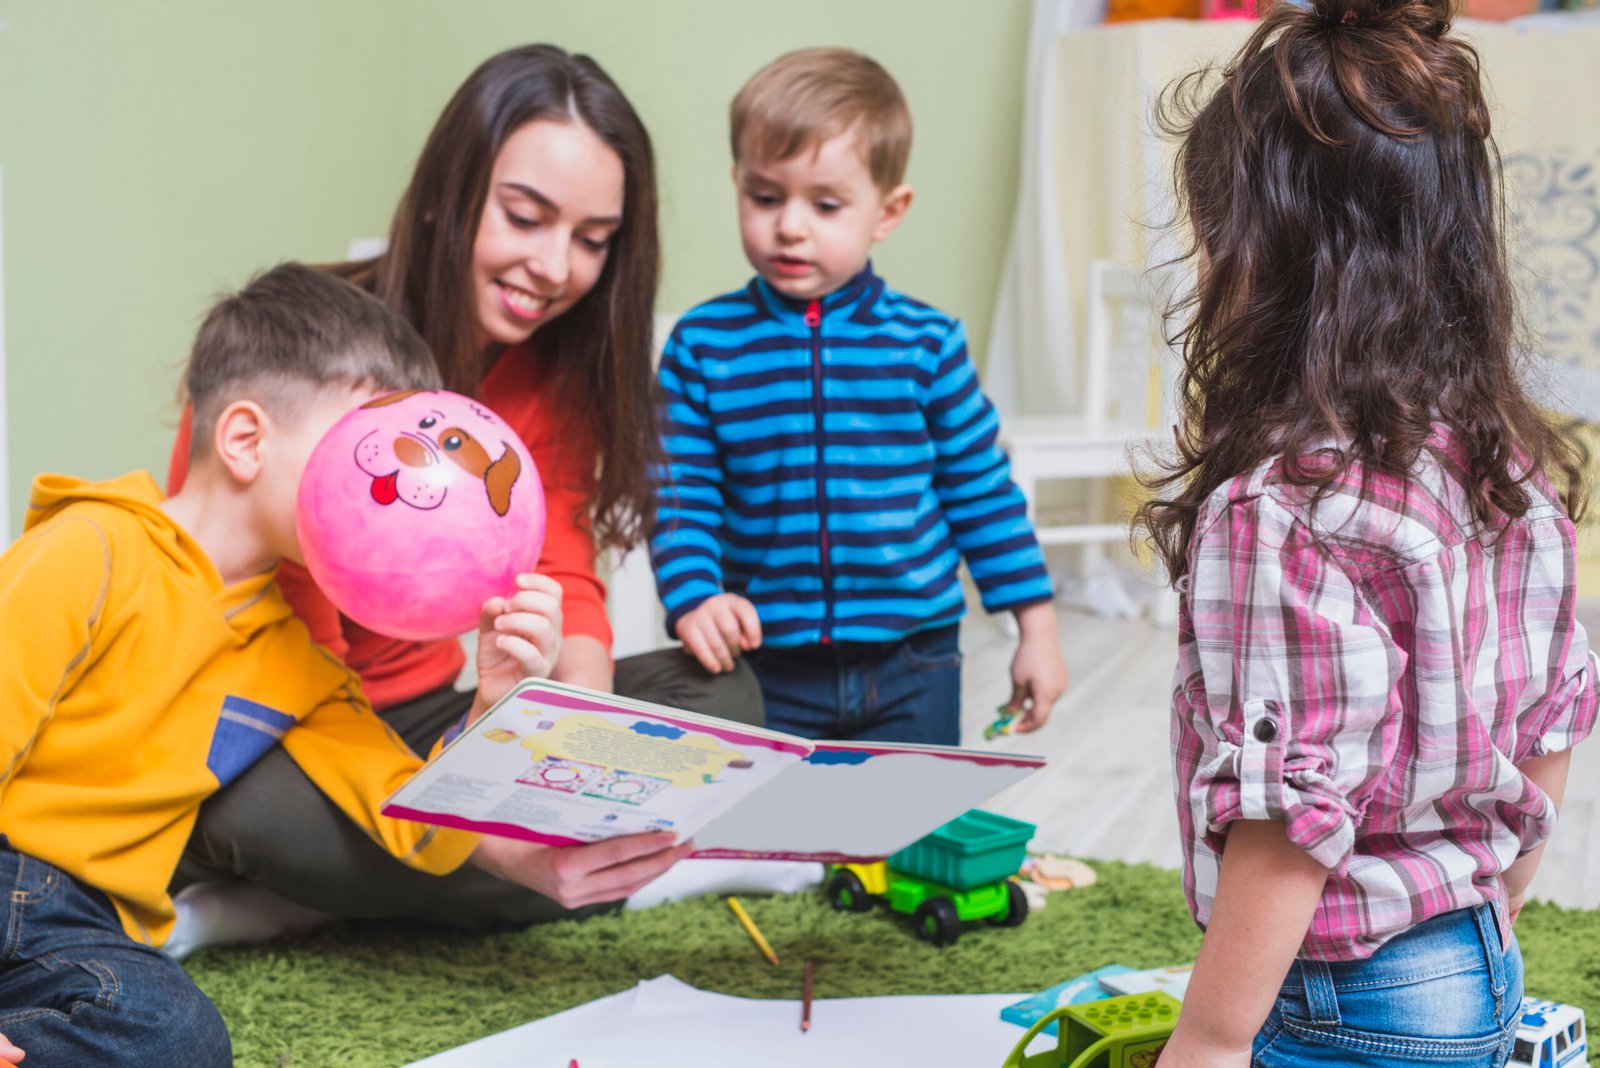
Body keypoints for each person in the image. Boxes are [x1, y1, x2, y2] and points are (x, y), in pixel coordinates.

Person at [0, 264, 691, 1066]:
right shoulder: (91, 548)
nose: (391, 479)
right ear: (245, 440)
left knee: (177, 1036)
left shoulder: (297, 659)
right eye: (360, 444)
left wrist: (493, 702)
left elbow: (422, 835)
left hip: (88, 929)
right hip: (15, 870)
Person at [166, 45, 767, 938]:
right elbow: (291, 672)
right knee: (240, 806)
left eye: (592, 240)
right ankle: (452, 876)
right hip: (287, 727)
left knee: (721, 699)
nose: (554, 266)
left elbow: (563, 573)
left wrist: (585, 743)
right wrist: (493, 845)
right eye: (525, 217)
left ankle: (350, 886)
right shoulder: (301, 357)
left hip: (428, 719)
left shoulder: (554, 368)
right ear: (446, 194)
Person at [1137, 1, 1597, 1064]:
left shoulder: (1281, 513)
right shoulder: (1504, 468)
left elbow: (1288, 819)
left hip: (1349, 996)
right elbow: (1552, 720)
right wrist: (1492, 908)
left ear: (1272, 257)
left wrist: (1208, 1039)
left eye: (1211, 234)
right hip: (1476, 966)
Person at [648, 47, 1068, 746]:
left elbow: (980, 492)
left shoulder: (927, 343)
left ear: (887, 211)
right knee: (771, 820)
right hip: (764, 665)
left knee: (909, 816)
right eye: (765, 197)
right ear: (737, 184)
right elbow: (678, 491)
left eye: (826, 204)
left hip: (915, 660)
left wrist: (1038, 629)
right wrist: (695, 596)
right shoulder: (702, 345)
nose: (790, 225)